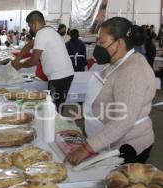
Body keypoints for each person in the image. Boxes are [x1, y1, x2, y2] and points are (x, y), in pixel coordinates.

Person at [64, 17, 156, 165]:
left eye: (101, 42)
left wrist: (86, 149)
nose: (97, 47)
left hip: (127, 145)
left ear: (119, 43)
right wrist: (86, 117)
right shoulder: (117, 61)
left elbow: (124, 120)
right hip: (105, 139)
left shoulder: (132, 71)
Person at [11, 10, 74, 114]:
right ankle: (55, 125)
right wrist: (17, 59)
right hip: (64, 74)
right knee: (55, 105)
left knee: (53, 108)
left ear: (34, 24)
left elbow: (34, 61)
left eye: (30, 26)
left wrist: (19, 65)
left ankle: (55, 128)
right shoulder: (49, 31)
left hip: (59, 77)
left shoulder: (41, 33)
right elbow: (29, 45)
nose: (30, 29)